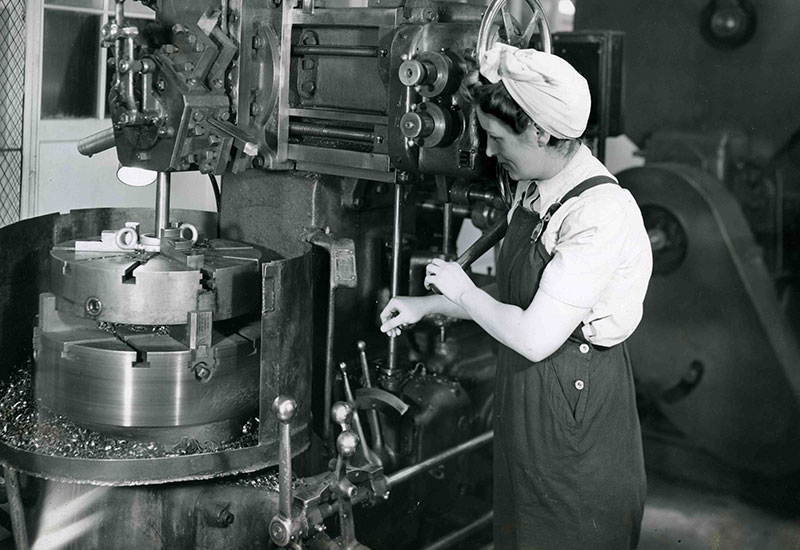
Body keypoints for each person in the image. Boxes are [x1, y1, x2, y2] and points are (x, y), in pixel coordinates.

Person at [380, 43, 652, 550]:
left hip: (575, 403)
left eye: (498, 137)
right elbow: (516, 298)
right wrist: (427, 306)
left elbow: (531, 335)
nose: (486, 151)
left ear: (543, 132)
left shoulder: (597, 214)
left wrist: (459, 288)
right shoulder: (535, 186)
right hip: (527, 395)